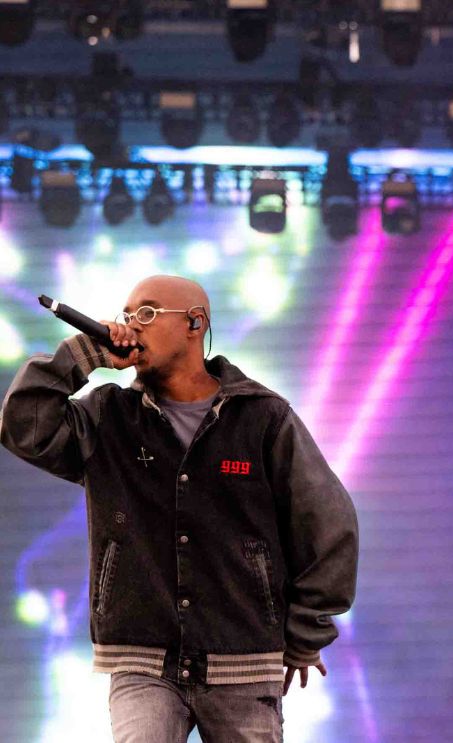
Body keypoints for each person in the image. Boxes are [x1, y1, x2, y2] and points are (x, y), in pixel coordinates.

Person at [0, 275, 359, 742]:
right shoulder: (108, 415)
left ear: (195, 323)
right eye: (127, 315)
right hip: (141, 659)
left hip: (243, 659)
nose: (130, 325)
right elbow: (24, 427)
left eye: (146, 313)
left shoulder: (263, 418)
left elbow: (328, 526)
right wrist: (81, 355)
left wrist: (305, 632)